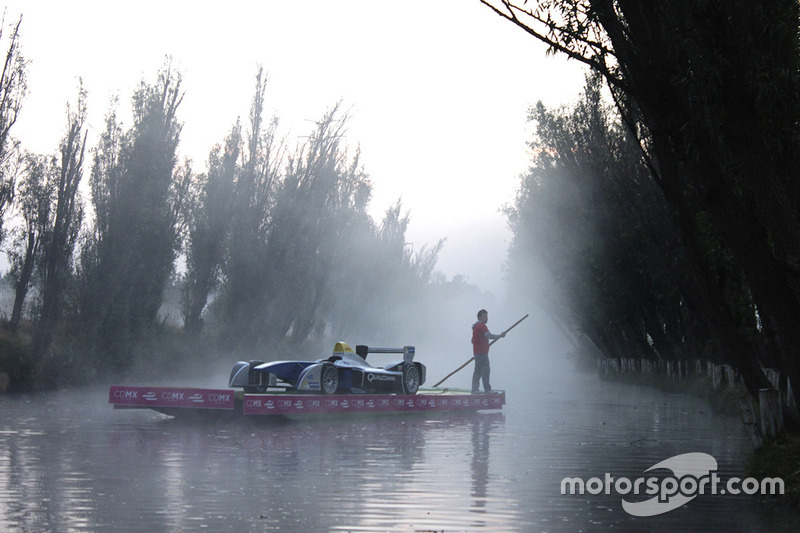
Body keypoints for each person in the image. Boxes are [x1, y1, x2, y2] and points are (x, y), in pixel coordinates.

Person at [471, 309, 504, 393]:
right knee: (485, 370)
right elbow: (488, 336)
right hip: (482, 353)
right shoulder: (482, 325)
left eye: (487, 316)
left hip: (477, 353)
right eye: (484, 316)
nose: (486, 318)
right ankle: (487, 389)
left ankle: (474, 389)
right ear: (479, 317)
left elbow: (472, 340)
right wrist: (500, 336)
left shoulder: (475, 327)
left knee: (478, 371)